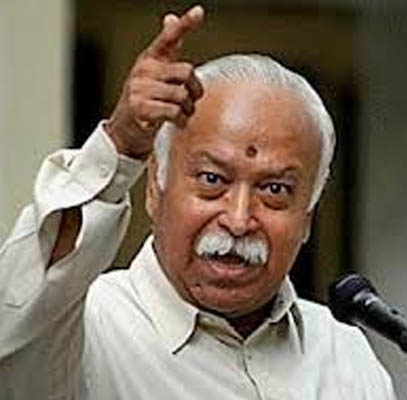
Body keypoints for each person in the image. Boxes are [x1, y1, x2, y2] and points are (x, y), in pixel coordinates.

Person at [0, 5, 397, 400]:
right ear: (154, 189)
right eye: (212, 180)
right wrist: (118, 146)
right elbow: (16, 324)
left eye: (274, 190)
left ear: (308, 216)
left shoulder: (345, 356)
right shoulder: (86, 329)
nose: (239, 220)